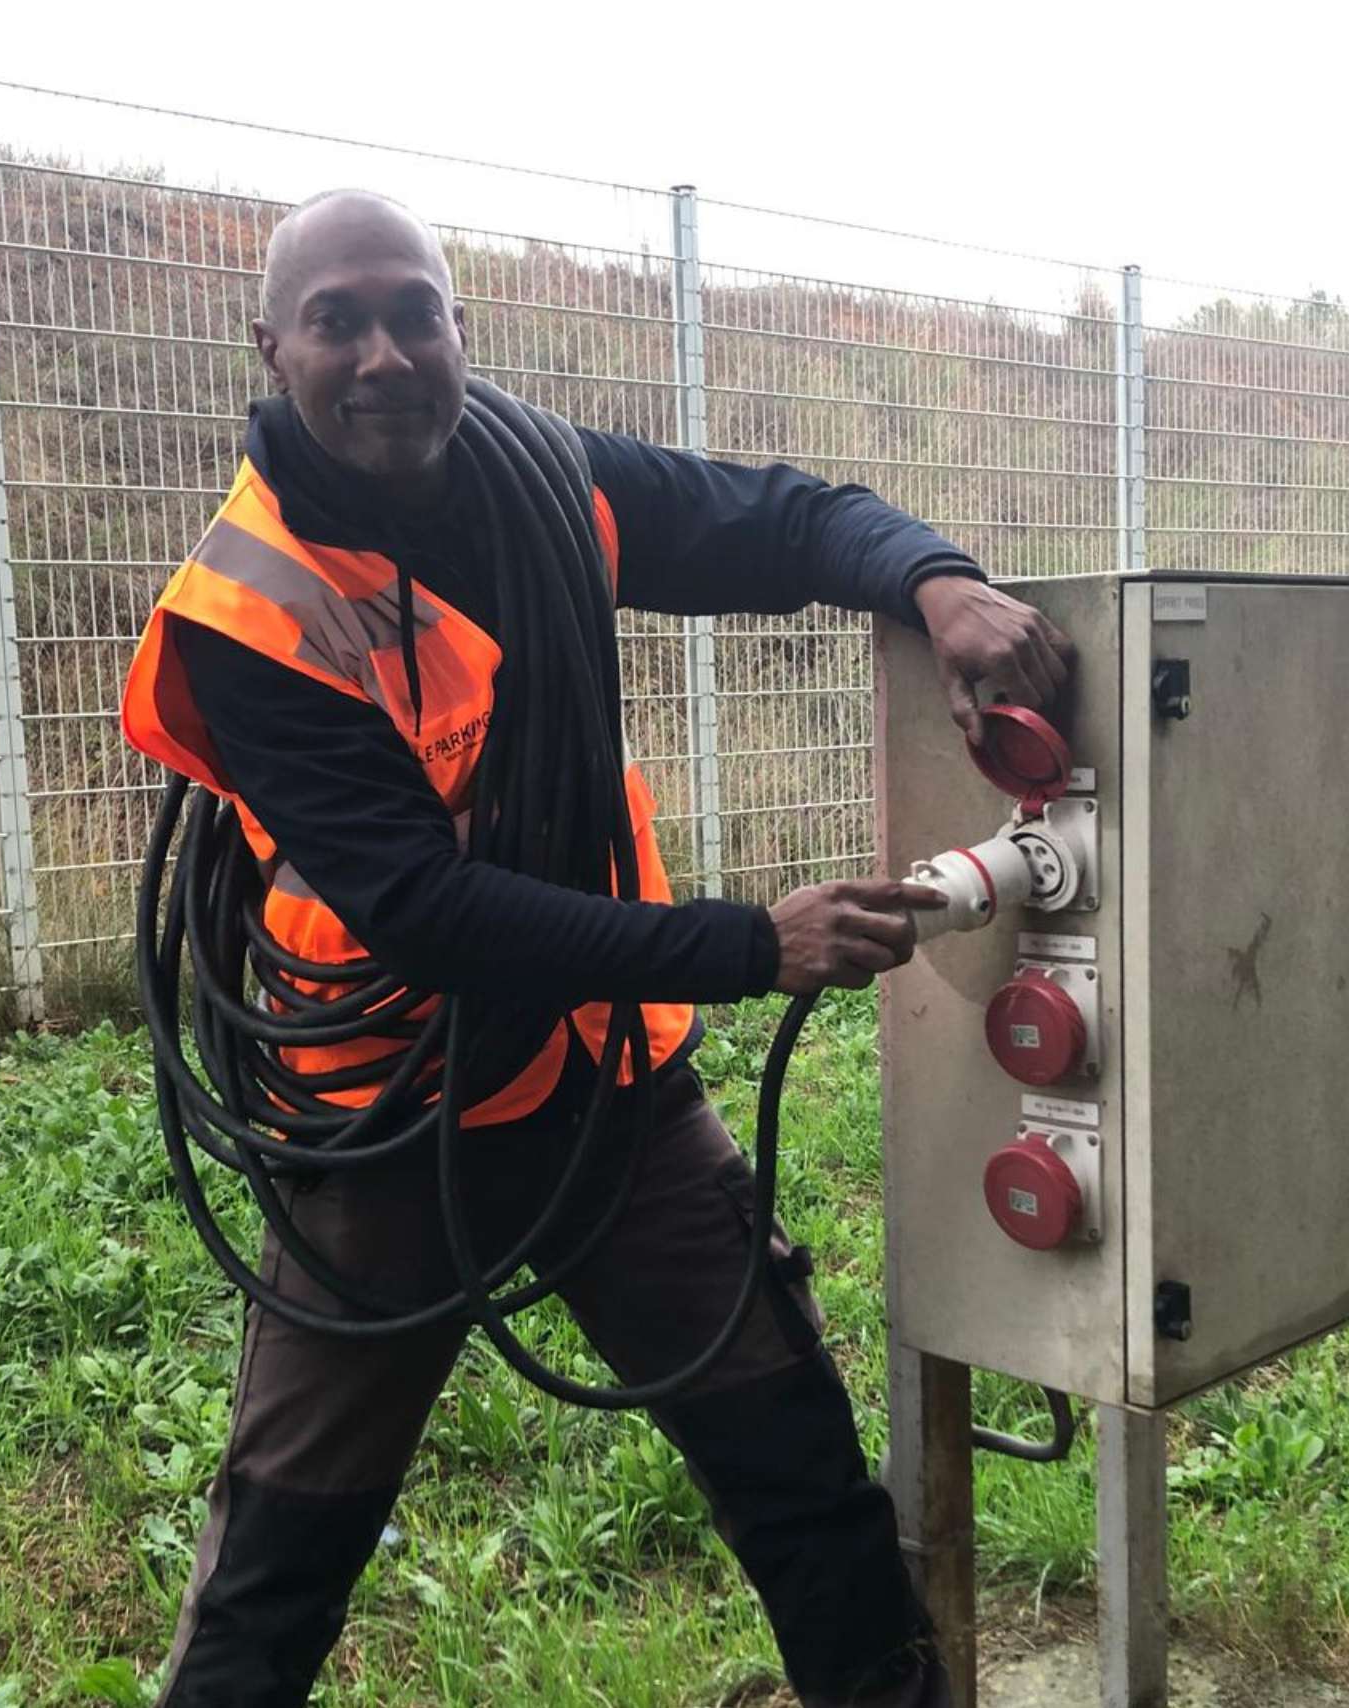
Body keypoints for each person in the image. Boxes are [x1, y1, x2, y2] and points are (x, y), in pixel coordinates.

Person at [118, 188, 1075, 1708]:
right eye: (338, 322)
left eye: (412, 312)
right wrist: (748, 945)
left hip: (612, 1095)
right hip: (384, 1119)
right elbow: (425, 912)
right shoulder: (250, 612)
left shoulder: (540, 482)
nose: (382, 355)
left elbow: (786, 517)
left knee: (799, 1471)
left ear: (456, 325)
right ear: (273, 349)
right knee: (281, 1561)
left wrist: (935, 582)